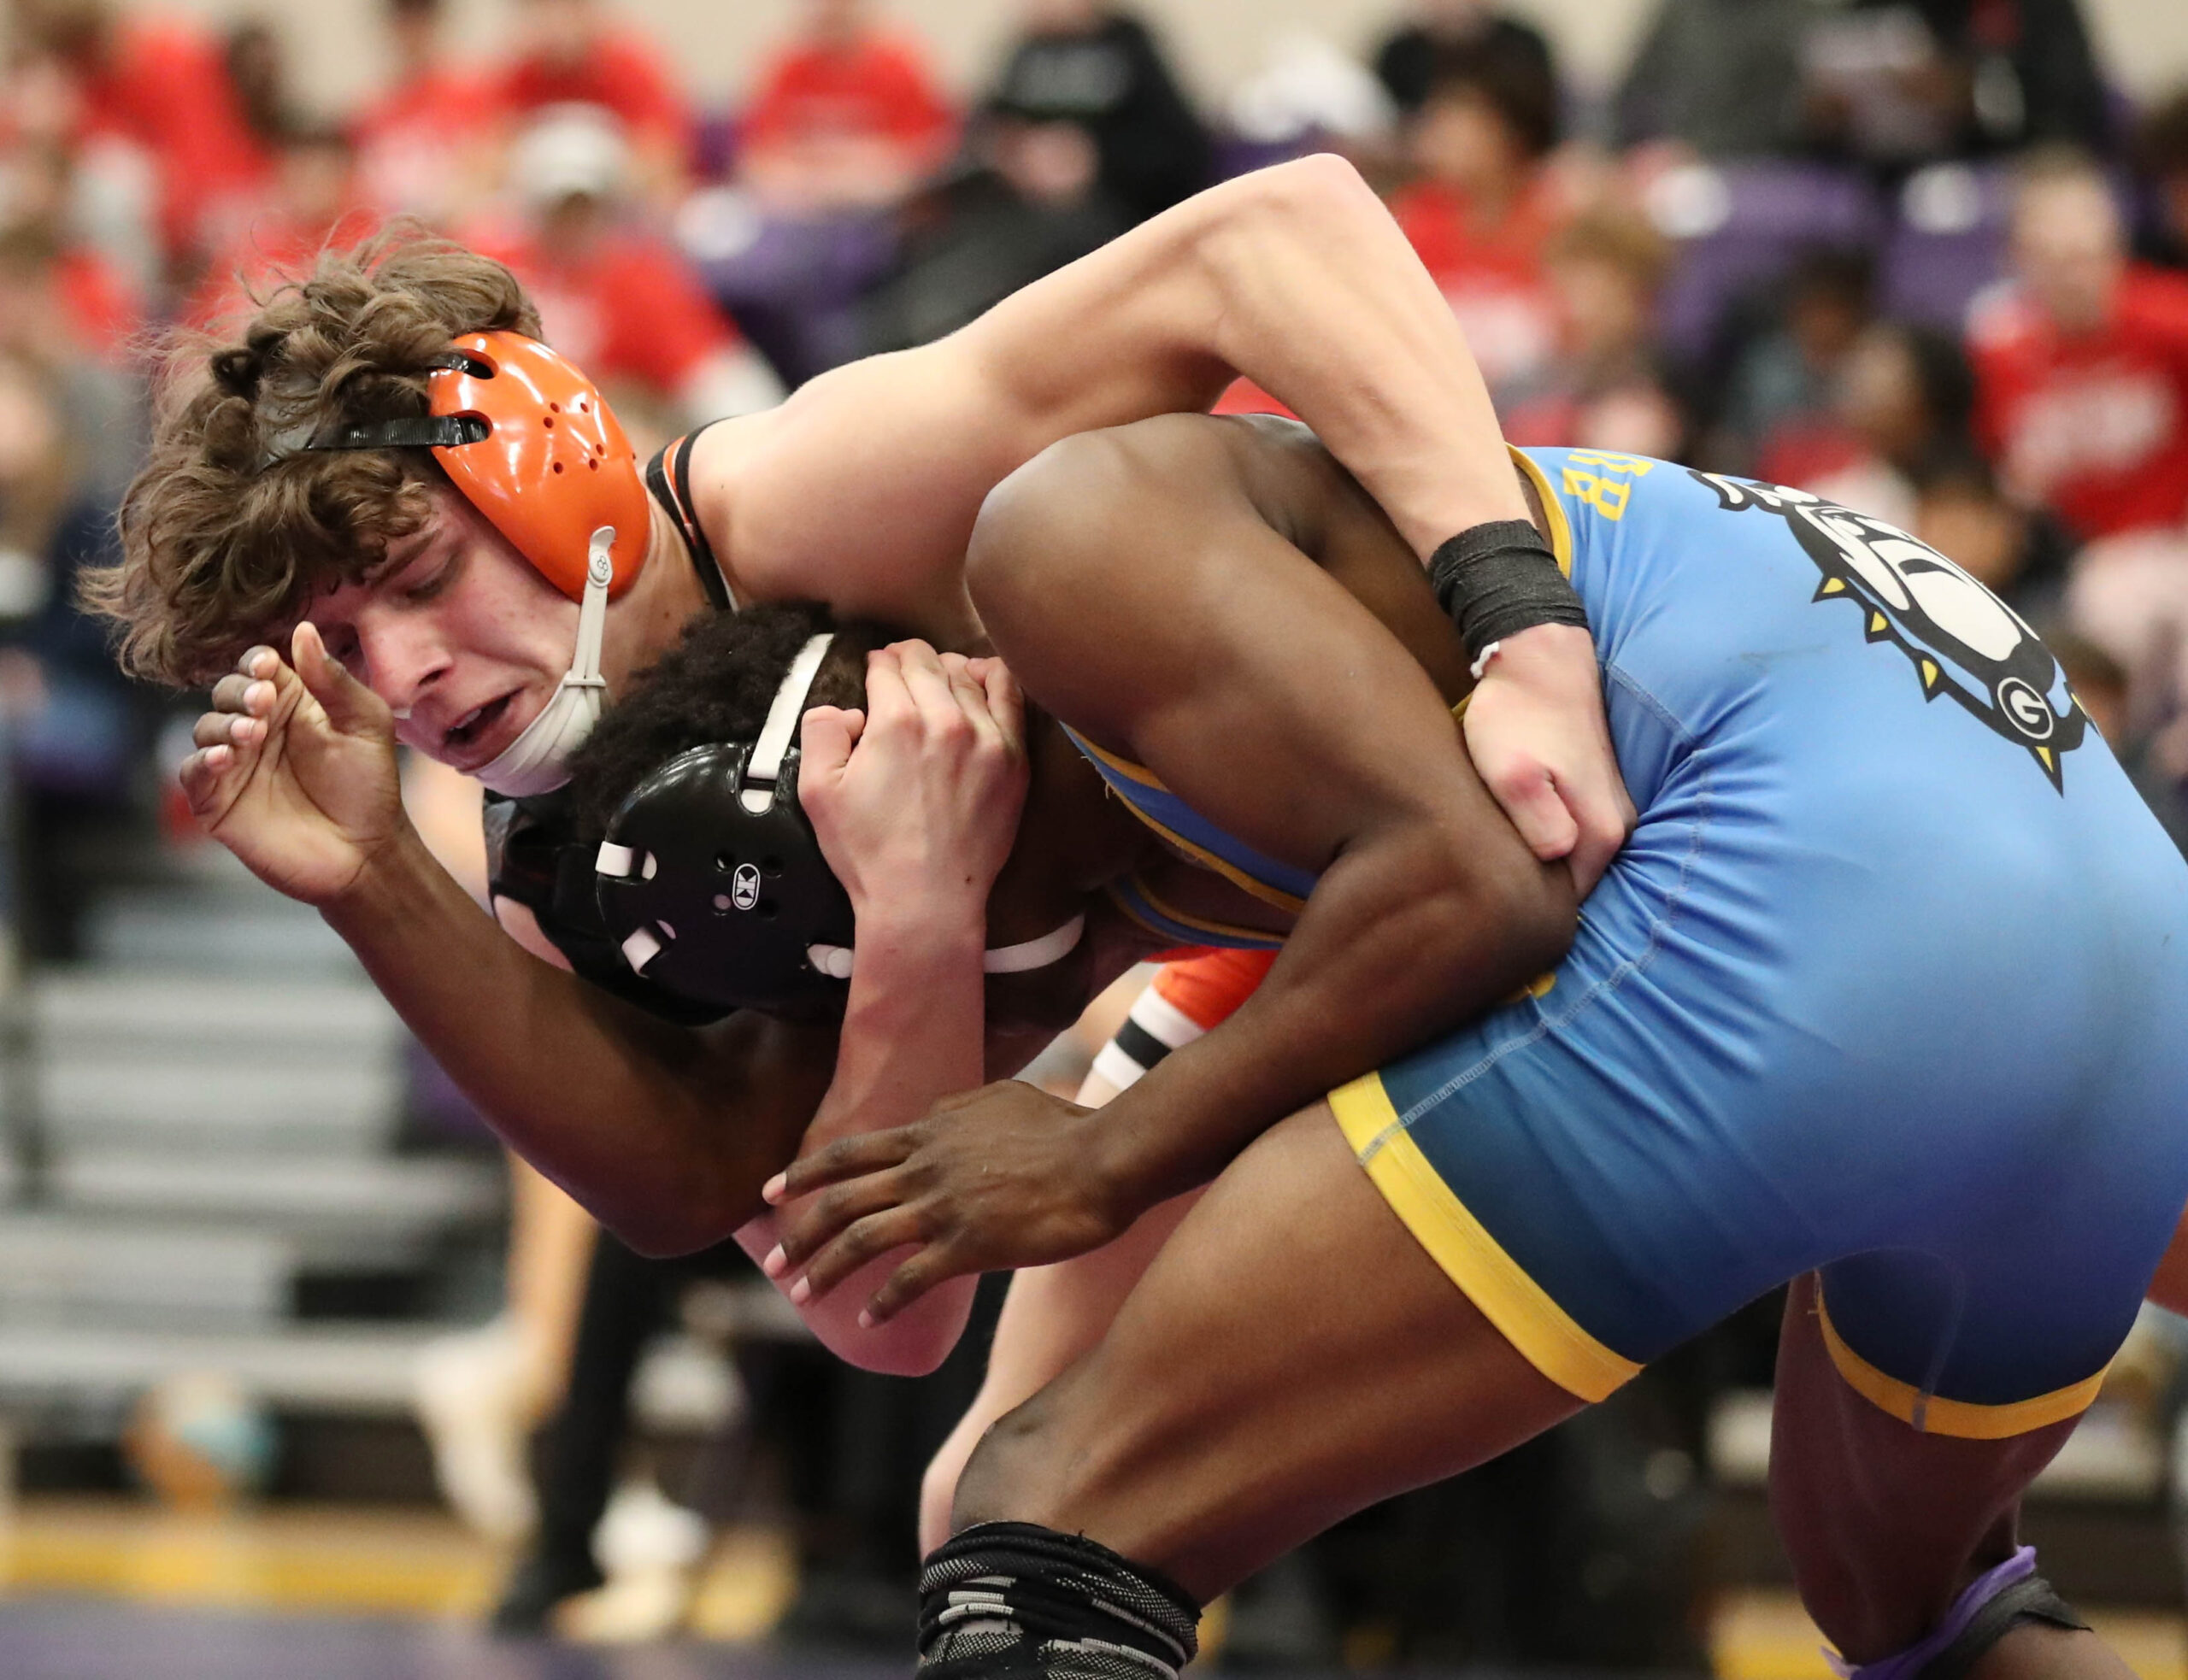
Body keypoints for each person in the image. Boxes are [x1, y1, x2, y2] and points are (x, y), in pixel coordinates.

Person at [740, 415, 2188, 1680]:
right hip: (2137, 970)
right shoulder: (1291, 695)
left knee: (1055, 1515)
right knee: (1932, 1616)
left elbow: (1469, 891)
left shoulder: (1079, 546)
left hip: (1832, 903)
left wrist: (1099, 1156)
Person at [91, 156, 1629, 1330]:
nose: (411, 675)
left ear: (547, 468)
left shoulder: (813, 493)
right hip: (1311, 918)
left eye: (424, 578)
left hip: (1517, 773)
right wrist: (914, 923)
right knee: (988, 1506)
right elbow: (878, 1313)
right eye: (349, 644)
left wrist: (1522, 619)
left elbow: (1278, 224)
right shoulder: (574, 871)